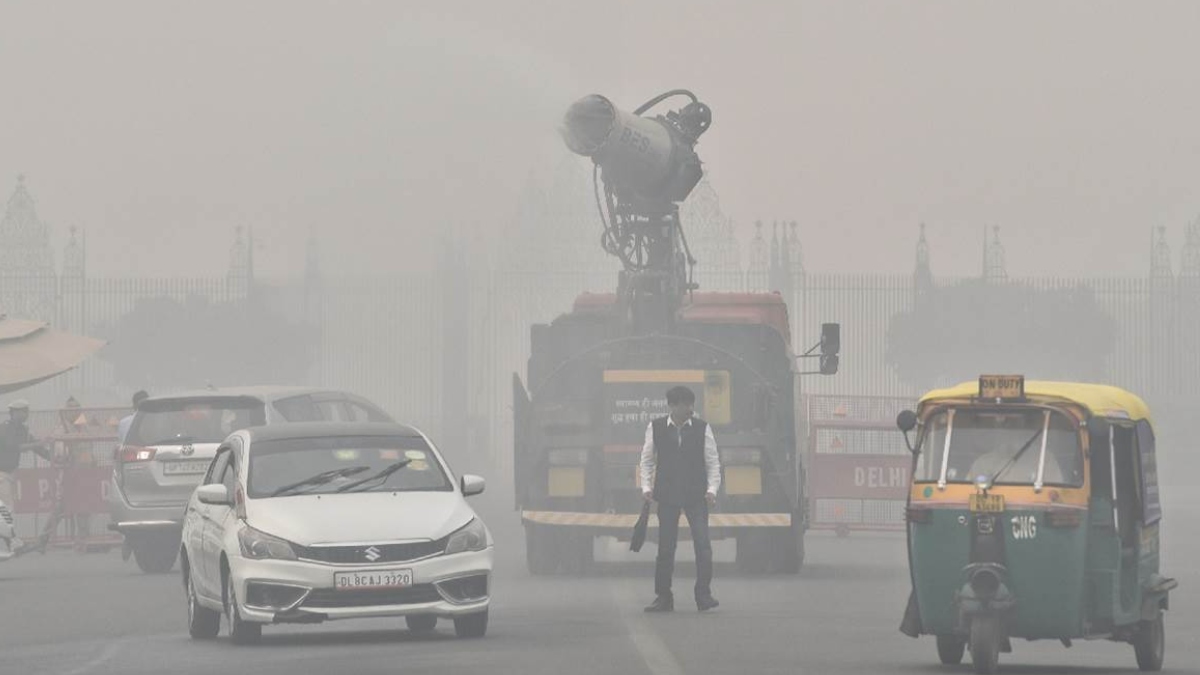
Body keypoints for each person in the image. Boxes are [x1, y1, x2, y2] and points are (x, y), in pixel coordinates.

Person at [639, 385, 721, 612]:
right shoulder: (655, 427)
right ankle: (663, 597)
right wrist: (646, 486)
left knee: (703, 546)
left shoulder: (703, 428)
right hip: (667, 495)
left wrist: (712, 489)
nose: (690, 409)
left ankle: (703, 595)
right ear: (672, 406)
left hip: (696, 495)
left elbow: (712, 462)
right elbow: (646, 460)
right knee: (666, 548)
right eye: (685, 404)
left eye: (691, 404)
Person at [0, 400, 54, 511]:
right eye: (23, 411)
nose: (26, 414)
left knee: (8, 506)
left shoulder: (23, 429)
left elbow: (35, 446)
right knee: (6, 507)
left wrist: (52, 457)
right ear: (14, 413)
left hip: (10, 473)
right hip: (2, 473)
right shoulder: (5, 428)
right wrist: (38, 443)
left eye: (27, 411)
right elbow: (13, 447)